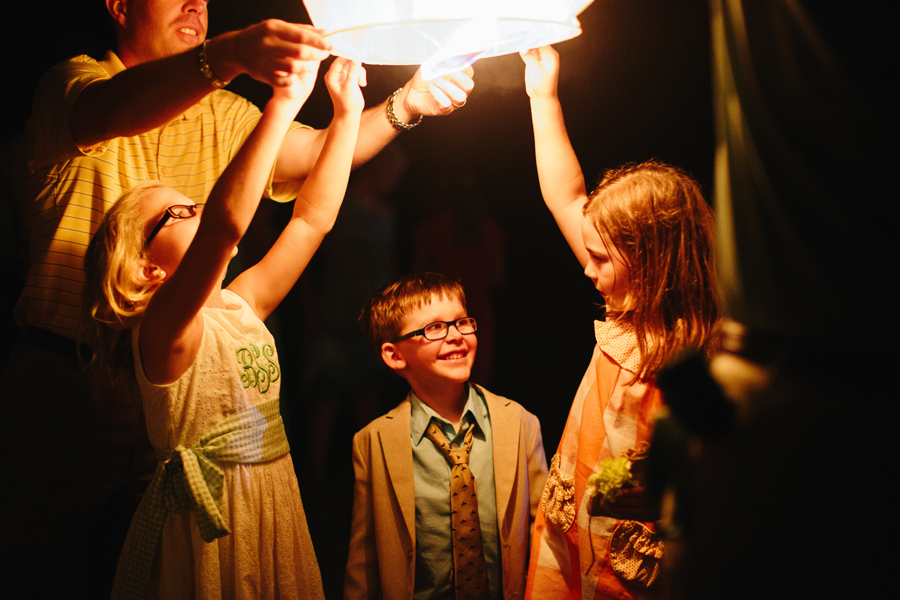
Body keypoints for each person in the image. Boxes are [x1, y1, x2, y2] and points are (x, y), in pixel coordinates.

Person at [0, 1, 473, 595]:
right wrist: (228, 58)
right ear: (120, 7)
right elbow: (121, 116)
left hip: (201, 394)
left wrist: (403, 102)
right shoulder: (74, 83)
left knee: (166, 563)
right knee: (37, 566)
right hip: (70, 378)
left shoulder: (231, 292)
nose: (196, 4)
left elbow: (313, 185)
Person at [83, 50, 363, 599]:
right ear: (146, 266)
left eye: (195, 204)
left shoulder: (241, 307)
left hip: (271, 502)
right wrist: (282, 103)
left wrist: (347, 114)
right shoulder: (164, 333)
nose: (198, 210)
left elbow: (311, 219)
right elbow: (224, 229)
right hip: (209, 523)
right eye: (180, 212)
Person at [519, 46, 720, 599]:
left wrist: (667, 490)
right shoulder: (620, 311)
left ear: (652, 258)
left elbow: (730, 473)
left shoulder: (703, 352)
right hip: (574, 526)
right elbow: (566, 195)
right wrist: (543, 97)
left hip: (635, 555)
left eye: (602, 258)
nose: (586, 268)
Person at [344, 272, 548, 600]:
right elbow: (363, 561)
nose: (455, 335)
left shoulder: (520, 423)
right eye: (434, 328)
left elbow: (546, 535)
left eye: (462, 322)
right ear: (395, 355)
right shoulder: (374, 441)